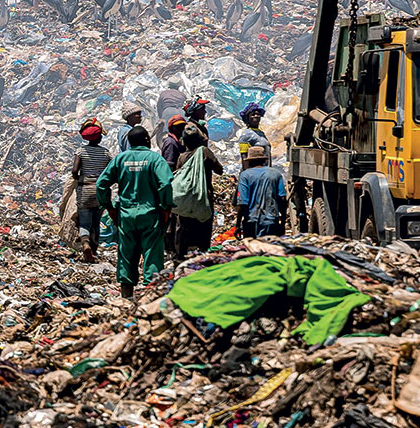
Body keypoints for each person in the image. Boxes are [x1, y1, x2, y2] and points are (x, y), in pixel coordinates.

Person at [96, 125, 173, 299]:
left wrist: (109, 207)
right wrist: (166, 207)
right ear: (147, 139)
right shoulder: (155, 159)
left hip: (126, 215)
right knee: (152, 254)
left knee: (126, 255)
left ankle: (126, 298)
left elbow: (101, 184)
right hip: (150, 214)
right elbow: (166, 184)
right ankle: (150, 299)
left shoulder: (120, 159)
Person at [169, 117, 224, 261]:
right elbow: (220, 170)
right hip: (203, 197)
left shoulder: (181, 157)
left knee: (183, 227)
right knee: (203, 228)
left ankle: (180, 257)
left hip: (185, 198)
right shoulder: (204, 152)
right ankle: (202, 256)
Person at [71, 120, 113, 264]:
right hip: (100, 192)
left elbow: (74, 171)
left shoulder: (80, 151)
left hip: (85, 190)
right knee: (96, 222)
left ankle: (85, 244)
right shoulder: (106, 153)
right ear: (100, 137)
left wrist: (78, 179)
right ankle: (93, 251)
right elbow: (112, 171)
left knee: (84, 223)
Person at [235, 145, 288, 238]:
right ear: (264, 160)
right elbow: (282, 199)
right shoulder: (275, 173)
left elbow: (242, 203)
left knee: (252, 251)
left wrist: (237, 225)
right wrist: (282, 222)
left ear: (250, 161)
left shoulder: (245, 175)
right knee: (270, 250)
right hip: (271, 221)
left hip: (251, 222)